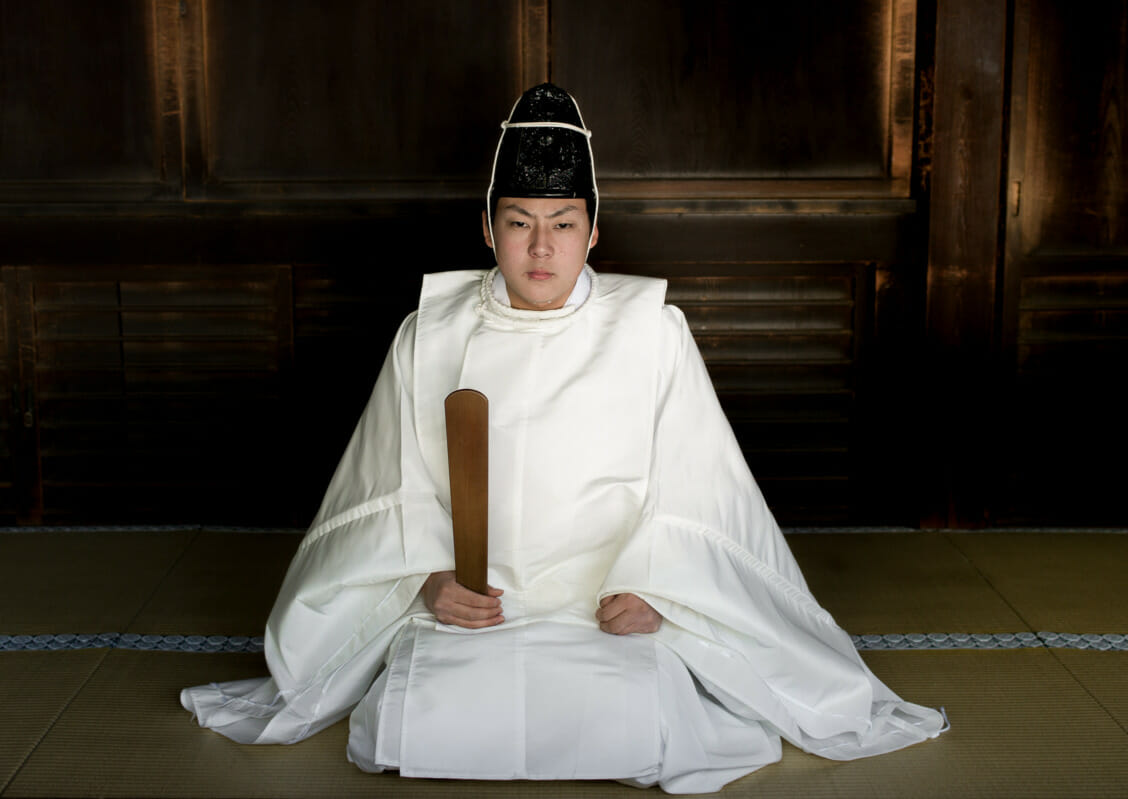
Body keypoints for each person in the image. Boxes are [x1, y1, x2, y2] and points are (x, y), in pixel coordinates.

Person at [180, 83, 945, 793]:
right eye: (519, 222)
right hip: (476, 607)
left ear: (593, 230)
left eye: (562, 224)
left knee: (639, 728)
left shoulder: (651, 331)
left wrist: (661, 595)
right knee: (415, 729)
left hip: (606, 606)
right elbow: (390, 490)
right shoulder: (430, 332)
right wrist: (428, 582)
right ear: (486, 226)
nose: (540, 249)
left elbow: (700, 490)